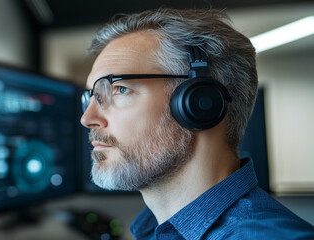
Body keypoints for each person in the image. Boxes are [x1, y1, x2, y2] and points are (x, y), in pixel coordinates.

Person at [80, 8, 314, 239]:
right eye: (91, 95)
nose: (87, 119)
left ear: (200, 102)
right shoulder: (152, 230)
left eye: (119, 89)